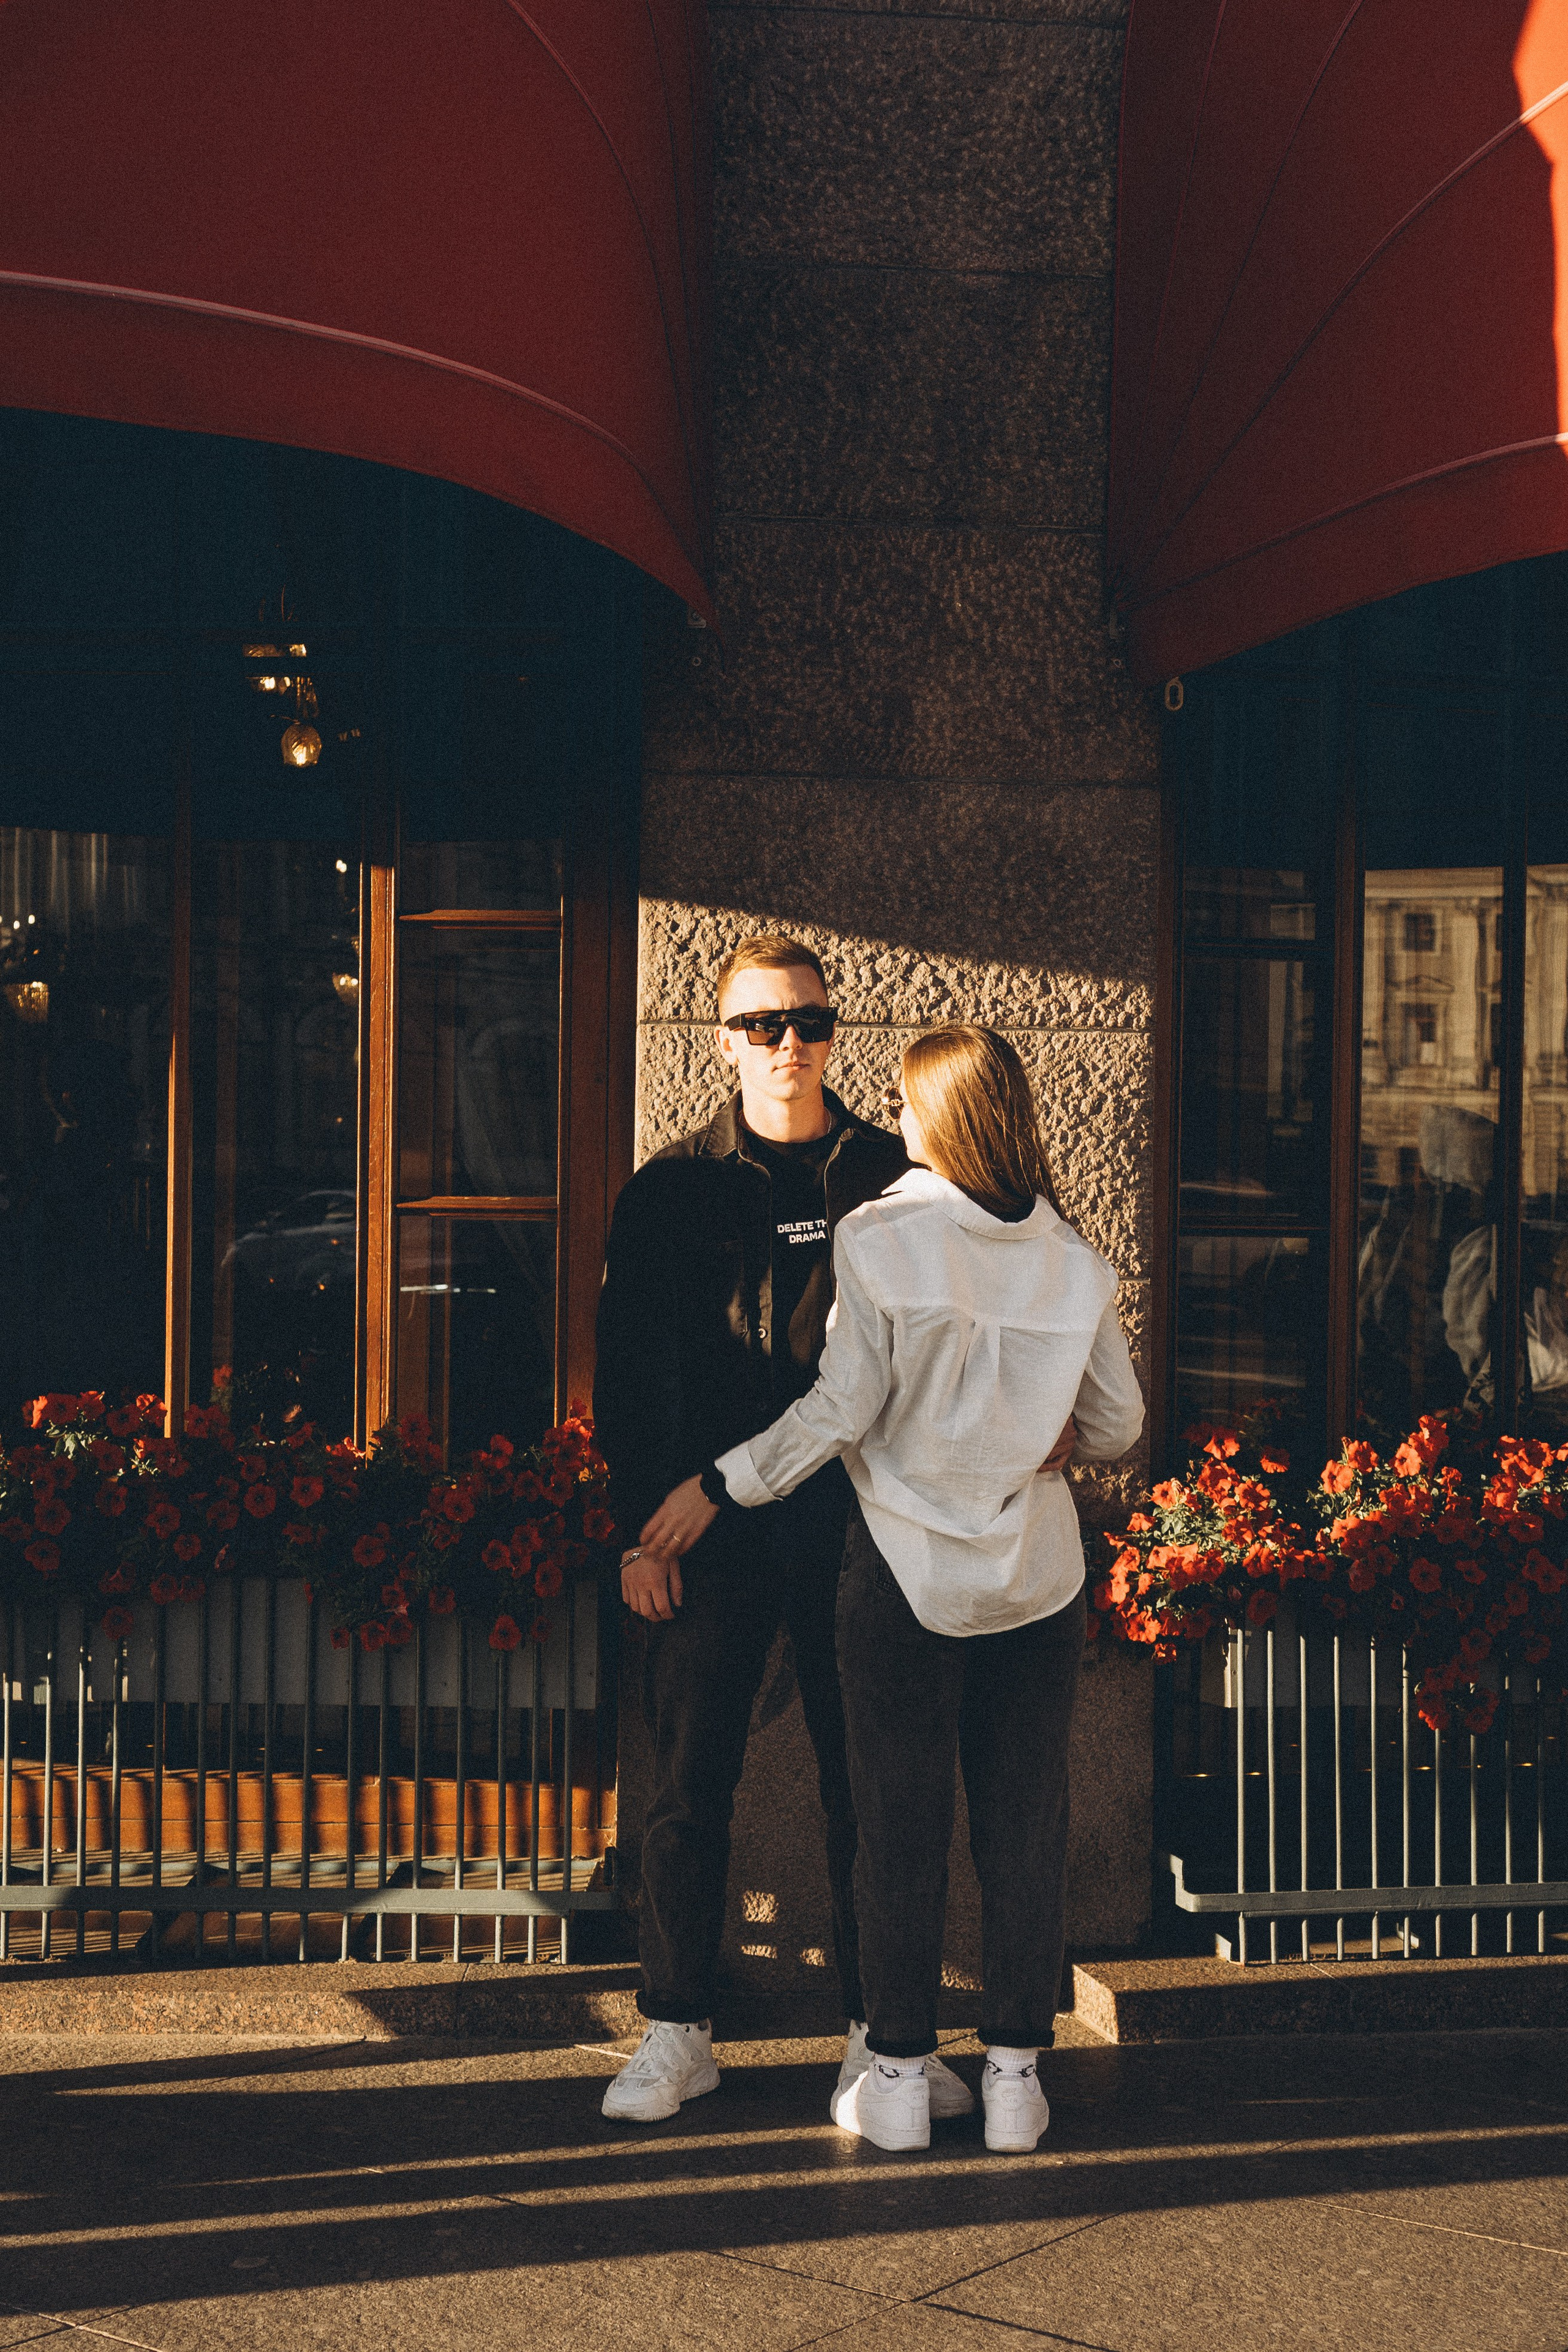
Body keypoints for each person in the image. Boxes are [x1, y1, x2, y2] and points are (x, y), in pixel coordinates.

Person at [641, 1024, 1144, 2154]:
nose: (899, 1123)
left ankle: (903, 2081)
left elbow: (836, 1413)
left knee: (897, 1827)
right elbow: (1118, 1424)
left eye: (912, 1107)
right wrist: (1042, 1436)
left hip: (904, 1576)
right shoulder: (1074, 1259)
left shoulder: (880, 1236)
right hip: (1038, 1581)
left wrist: (723, 1480)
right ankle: (1016, 2080)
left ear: (942, 1118)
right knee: (1026, 1825)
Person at [594, 933, 989, 2127]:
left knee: (866, 1787)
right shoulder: (670, 1189)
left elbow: (943, 1342)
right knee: (680, 1785)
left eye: (806, 1023)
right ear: (724, 1041)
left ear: (832, 1033)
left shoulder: (888, 1177)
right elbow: (627, 1371)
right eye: (761, 1025)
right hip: (702, 1524)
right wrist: (638, 1533)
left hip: (853, 1524)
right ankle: (676, 2031)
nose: (786, 1045)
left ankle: (880, 2044)